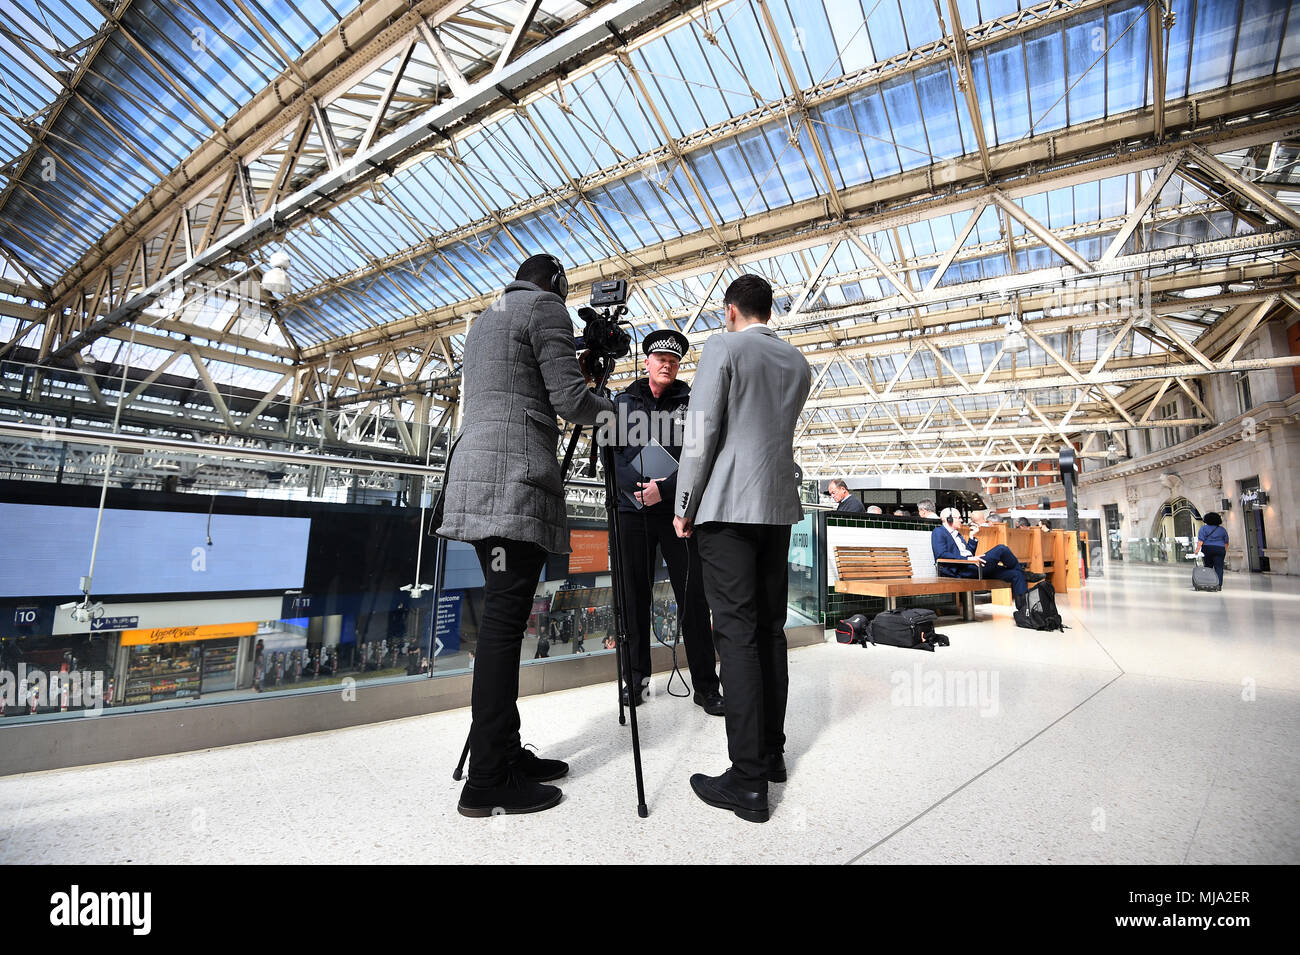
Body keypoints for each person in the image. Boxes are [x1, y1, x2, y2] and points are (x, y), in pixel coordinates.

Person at [437, 253, 615, 818]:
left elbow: (523, 386)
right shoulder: (545, 309)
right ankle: (488, 778)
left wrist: (576, 363)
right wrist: (615, 412)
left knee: (500, 625)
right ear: (558, 286)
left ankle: (506, 754)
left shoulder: (485, 318)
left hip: (476, 481)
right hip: (513, 485)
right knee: (502, 629)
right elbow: (569, 402)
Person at [673, 274, 812, 824]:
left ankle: (748, 780)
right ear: (768, 309)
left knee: (734, 634)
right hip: (777, 510)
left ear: (731, 311)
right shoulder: (797, 363)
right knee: (767, 632)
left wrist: (684, 503)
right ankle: (772, 755)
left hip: (727, 509)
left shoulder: (723, 347)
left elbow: (702, 432)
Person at [610, 328, 723, 715]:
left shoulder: (691, 404)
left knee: (693, 598)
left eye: (673, 361)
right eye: (660, 359)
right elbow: (610, 456)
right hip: (631, 512)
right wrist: (636, 485)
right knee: (632, 597)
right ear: (646, 362)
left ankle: (707, 686)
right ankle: (635, 679)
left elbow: (700, 455)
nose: (667, 365)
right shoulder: (622, 402)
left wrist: (667, 489)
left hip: (677, 514)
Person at [930, 507, 1045, 612]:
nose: (961, 520)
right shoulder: (939, 532)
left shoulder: (957, 534)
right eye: (959, 518)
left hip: (971, 566)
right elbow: (941, 554)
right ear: (949, 519)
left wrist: (972, 537)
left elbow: (969, 553)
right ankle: (1025, 573)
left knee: (1016, 574)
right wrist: (968, 558)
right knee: (1001, 549)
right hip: (961, 570)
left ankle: (1025, 610)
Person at [1194, 512, 1229, 587]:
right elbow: (1226, 542)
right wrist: (1224, 551)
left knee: (1208, 567)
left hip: (1207, 549)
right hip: (1220, 549)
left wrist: (1197, 550)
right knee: (1219, 568)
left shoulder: (1203, 528)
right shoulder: (1222, 529)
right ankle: (1219, 585)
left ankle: (1209, 583)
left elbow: (1200, 541)